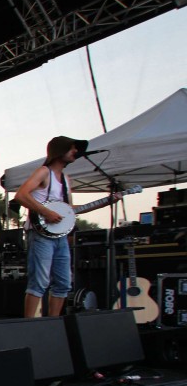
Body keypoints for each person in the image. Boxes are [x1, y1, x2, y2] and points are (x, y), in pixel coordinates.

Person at [15, 135, 123, 318]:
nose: (75, 151)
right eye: (72, 148)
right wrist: (46, 212)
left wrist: (106, 202)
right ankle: (28, 324)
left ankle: (53, 323)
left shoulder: (66, 179)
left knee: (64, 282)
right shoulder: (44, 172)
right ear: (59, 151)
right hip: (40, 234)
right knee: (39, 282)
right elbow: (21, 195)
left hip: (59, 236)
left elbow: (69, 209)